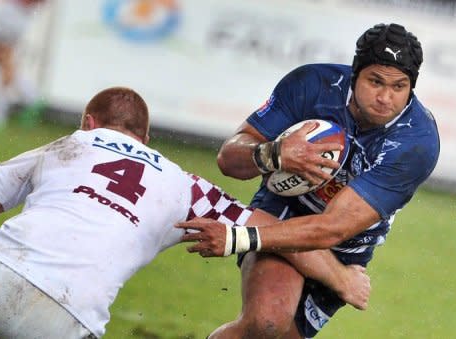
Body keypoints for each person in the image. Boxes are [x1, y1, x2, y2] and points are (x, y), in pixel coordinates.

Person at [0, 86, 370, 338]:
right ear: (147, 139)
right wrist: (341, 278)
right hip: (69, 316)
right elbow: (272, 232)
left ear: (89, 123)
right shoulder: (183, 184)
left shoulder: (78, 142)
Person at [177, 23, 440, 338]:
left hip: (347, 245)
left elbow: (333, 229)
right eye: (376, 81)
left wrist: (237, 237)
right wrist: (273, 155)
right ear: (356, 74)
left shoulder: (417, 141)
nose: (385, 97)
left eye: (399, 86)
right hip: (283, 211)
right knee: (266, 323)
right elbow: (229, 159)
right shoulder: (312, 85)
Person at [0, 0, 46, 128]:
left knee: (6, 67)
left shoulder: (18, 11)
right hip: (15, 15)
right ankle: (32, 97)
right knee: (7, 67)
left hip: (13, 16)